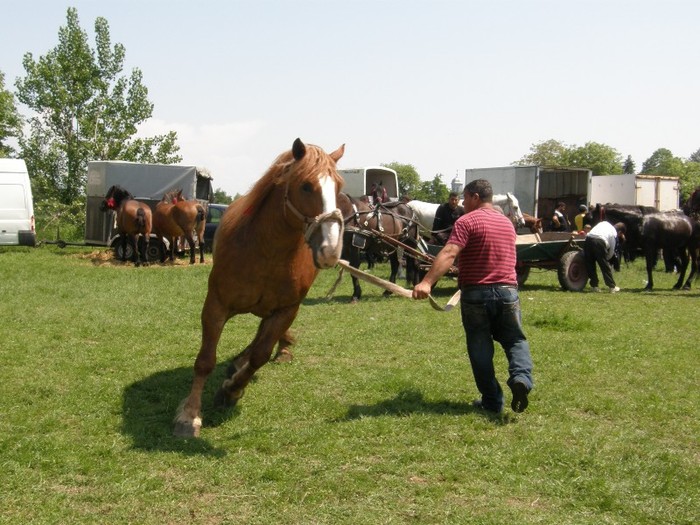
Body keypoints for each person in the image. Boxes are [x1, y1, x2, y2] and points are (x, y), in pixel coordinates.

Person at [412, 179, 534, 414]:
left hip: (476, 294)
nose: (462, 203)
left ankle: (492, 401)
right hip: (508, 292)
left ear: (475, 197)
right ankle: (521, 379)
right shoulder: (507, 224)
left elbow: (449, 252)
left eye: (465, 198)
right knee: (515, 340)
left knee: (480, 347)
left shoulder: (466, 221)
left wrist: (427, 282)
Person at [584, 220, 626, 293]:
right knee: (604, 265)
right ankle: (612, 287)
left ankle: (594, 286)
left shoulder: (603, 223)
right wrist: (607, 259)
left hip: (588, 239)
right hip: (599, 242)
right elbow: (612, 250)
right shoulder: (614, 233)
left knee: (590, 263)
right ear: (619, 232)